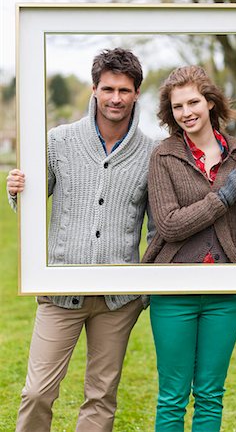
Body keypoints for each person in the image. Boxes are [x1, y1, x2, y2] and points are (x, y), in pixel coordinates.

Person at [7, 48, 156, 432]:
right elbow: (31, 203)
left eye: (124, 90)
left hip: (117, 299)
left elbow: (158, 228)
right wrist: (16, 190)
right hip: (60, 289)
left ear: (136, 93)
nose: (115, 98)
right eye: (108, 89)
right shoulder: (58, 142)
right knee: (37, 392)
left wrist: (147, 288)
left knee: (101, 396)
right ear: (94, 89)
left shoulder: (152, 153)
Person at [142, 65, 236, 432]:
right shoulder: (163, 156)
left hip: (225, 291)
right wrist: (224, 196)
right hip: (174, 291)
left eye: (193, 102)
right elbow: (170, 224)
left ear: (210, 103)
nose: (186, 112)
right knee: (172, 396)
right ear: (169, 113)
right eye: (177, 107)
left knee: (210, 394)